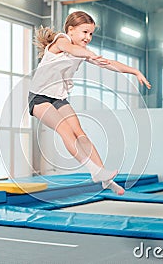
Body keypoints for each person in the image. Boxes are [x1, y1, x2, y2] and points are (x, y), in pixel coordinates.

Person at [29, 11, 151, 195]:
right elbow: (72, 50)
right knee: (64, 129)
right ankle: (95, 171)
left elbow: (109, 63)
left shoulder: (82, 52)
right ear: (71, 30)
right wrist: (90, 55)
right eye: (84, 32)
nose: (88, 37)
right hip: (39, 97)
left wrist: (134, 71)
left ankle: (105, 179)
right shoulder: (61, 41)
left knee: (80, 132)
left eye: (91, 34)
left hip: (58, 98)